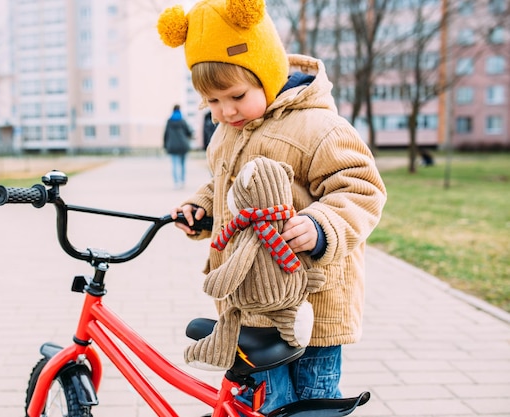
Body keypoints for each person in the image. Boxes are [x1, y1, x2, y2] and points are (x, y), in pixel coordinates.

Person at [157, 0, 387, 413]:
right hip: (252, 304)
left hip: (312, 306)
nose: (224, 111)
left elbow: (361, 189)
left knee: (312, 399)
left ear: (268, 72)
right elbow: (224, 185)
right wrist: (201, 209)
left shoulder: (319, 126)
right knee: (263, 401)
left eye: (236, 96)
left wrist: (321, 225)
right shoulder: (227, 131)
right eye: (211, 101)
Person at [163, 104, 193, 189]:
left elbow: (166, 134)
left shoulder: (169, 121)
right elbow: (188, 132)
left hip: (173, 146)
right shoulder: (182, 120)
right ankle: (182, 181)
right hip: (183, 145)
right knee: (183, 164)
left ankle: (176, 182)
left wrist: (165, 145)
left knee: (175, 164)